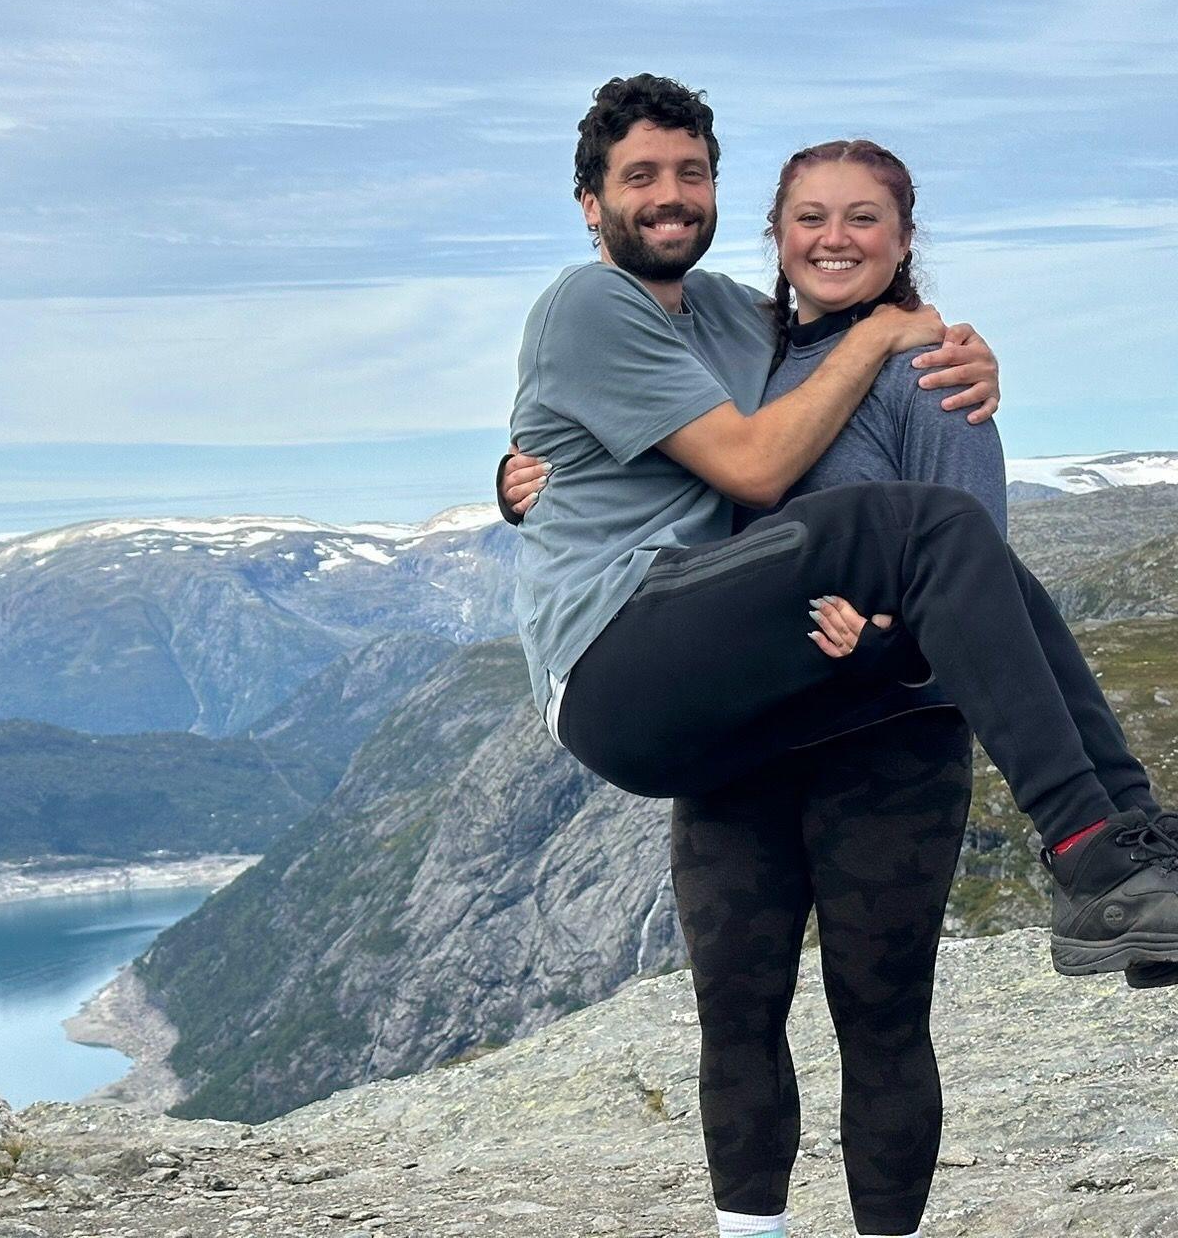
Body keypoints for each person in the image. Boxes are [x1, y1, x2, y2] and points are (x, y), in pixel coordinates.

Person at [503, 73, 1178, 1000]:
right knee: (930, 524)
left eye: (691, 172)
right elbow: (752, 469)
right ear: (591, 203)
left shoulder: (737, 315)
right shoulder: (590, 298)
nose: (669, 194)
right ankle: (1089, 855)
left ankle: (1133, 842)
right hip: (616, 655)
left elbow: (828, 325)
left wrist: (954, 348)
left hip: (721, 664)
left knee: (999, 568)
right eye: (640, 175)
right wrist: (889, 334)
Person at [504, 137, 1020, 1238]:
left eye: (864, 218)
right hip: (745, 730)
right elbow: (623, 454)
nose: (836, 239)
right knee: (734, 1016)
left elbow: (974, 570)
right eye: (812, 219)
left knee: (880, 1018)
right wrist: (516, 474)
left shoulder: (933, 374)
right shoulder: (743, 345)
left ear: (904, 238)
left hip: (891, 736)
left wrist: (885, 643)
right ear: (777, 240)